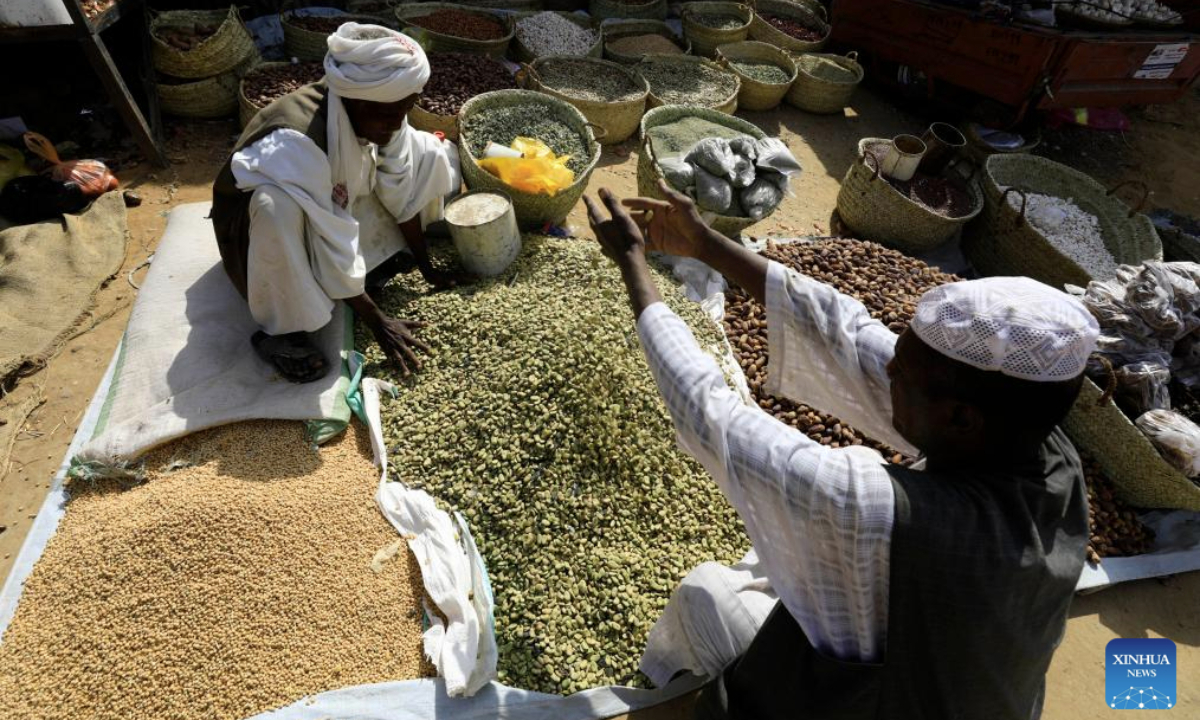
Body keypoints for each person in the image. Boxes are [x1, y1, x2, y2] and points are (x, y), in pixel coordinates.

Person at [583, 182, 1100, 720]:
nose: (889, 369)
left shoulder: (872, 511)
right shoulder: (1043, 445)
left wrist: (633, 263)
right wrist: (705, 244)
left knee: (706, 592)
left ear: (960, 418)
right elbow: (849, 333)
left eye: (903, 372)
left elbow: (711, 413)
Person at [211, 23, 466, 383]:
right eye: (390, 115)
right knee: (275, 206)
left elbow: (402, 188)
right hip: (253, 233)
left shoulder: (380, 108)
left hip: (326, 199)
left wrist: (427, 269)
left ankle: (371, 268)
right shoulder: (298, 141)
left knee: (427, 150)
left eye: (404, 110)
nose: (396, 123)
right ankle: (282, 332)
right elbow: (328, 235)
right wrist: (379, 323)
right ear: (359, 102)